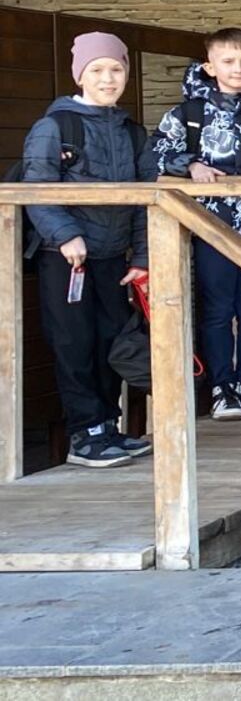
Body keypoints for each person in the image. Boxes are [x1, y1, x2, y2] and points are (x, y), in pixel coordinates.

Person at [149, 27, 241, 422]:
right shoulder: (187, 115)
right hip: (208, 230)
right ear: (210, 66)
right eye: (228, 61)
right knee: (217, 312)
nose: (238, 68)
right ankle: (222, 388)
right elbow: (153, 156)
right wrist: (190, 165)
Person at [21, 32, 152, 466]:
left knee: (110, 343)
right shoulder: (55, 127)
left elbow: (146, 200)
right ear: (80, 75)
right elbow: (37, 189)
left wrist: (143, 257)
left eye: (116, 69)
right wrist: (65, 235)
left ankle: (108, 427)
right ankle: (85, 435)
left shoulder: (133, 133)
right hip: (65, 258)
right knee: (73, 343)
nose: (107, 78)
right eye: (97, 70)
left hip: (114, 258)